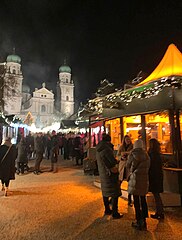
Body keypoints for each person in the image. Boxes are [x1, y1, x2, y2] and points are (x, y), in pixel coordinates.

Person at [96, 133, 123, 219]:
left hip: (103, 173)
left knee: (105, 192)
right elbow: (111, 162)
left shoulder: (99, 149)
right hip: (110, 174)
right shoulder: (106, 150)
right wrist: (118, 160)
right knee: (115, 192)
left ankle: (107, 209)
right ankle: (115, 212)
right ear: (108, 141)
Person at [126, 139, 150, 230]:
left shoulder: (133, 154)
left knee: (136, 200)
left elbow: (129, 165)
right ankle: (144, 219)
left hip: (135, 180)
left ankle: (138, 220)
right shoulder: (146, 155)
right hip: (144, 179)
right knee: (143, 199)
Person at [148, 138, 164, 220]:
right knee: (156, 195)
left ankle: (160, 212)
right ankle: (159, 212)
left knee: (156, 195)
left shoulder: (152, 154)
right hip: (158, 176)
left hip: (154, 177)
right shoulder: (157, 154)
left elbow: (151, 166)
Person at [117, 135, 133, 206]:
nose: (128, 141)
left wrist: (128, 155)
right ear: (124, 140)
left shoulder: (132, 147)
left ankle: (129, 199)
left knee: (130, 183)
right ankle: (115, 196)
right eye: (126, 140)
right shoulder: (121, 147)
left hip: (129, 167)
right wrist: (121, 157)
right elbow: (117, 156)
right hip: (122, 166)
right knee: (119, 182)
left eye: (129, 139)